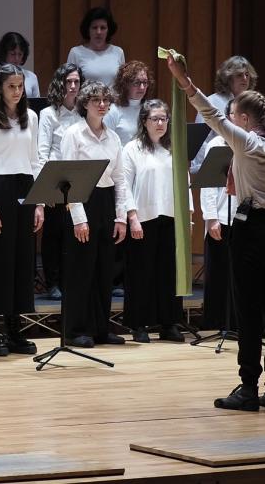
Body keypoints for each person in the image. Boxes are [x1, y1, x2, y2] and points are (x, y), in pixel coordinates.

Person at [166, 48, 265, 412]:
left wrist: (182, 79)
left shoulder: (246, 142)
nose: (230, 119)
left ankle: (248, 388)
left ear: (245, 119)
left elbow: (209, 113)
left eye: (234, 116)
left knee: (248, 312)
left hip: (250, 231)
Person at [0, 64, 43, 356]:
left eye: (20, 86)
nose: (17, 92)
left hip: (24, 188)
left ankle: (14, 328)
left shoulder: (32, 117)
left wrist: (39, 202)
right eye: (11, 86)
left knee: (21, 260)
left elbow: (35, 160)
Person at [60, 80, 128, 347]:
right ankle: (76, 329)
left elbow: (120, 179)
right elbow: (68, 178)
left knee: (104, 269)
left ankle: (101, 328)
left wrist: (120, 217)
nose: (102, 105)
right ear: (85, 103)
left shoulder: (113, 138)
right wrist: (79, 218)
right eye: (96, 100)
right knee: (81, 269)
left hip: (106, 202)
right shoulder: (73, 134)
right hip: (83, 200)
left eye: (106, 100)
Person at [121, 99, 189, 343]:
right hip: (143, 219)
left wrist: (187, 216)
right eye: (155, 119)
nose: (160, 123)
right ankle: (138, 324)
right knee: (141, 273)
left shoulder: (174, 148)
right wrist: (132, 217)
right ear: (144, 121)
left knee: (169, 273)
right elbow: (124, 186)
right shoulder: (132, 149)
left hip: (171, 217)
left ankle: (169, 323)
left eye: (163, 119)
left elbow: (184, 183)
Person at [36, 63, 83, 301]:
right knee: (54, 233)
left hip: (78, 178)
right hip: (55, 178)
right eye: (68, 82)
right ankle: (53, 282)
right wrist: (44, 189)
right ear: (60, 84)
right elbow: (42, 152)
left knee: (74, 231)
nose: (73, 86)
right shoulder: (48, 114)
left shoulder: (83, 112)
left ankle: (70, 280)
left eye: (76, 82)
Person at [197, 114, 235, 331]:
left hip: (243, 216)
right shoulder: (216, 144)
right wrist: (211, 218)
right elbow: (208, 186)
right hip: (221, 216)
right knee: (218, 273)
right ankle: (216, 321)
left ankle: (237, 321)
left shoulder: (250, 142)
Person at [66, 6, 124, 87]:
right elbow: (70, 85)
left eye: (103, 28)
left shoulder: (118, 52)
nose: (98, 32)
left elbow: (122, 85)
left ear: (109, 30)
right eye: (94, 28)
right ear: (88, 30)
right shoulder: (76, 53)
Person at [105, 60, 154, 145]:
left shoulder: (151, 108)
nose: (142, 87)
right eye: (137, 83)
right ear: (125, 84)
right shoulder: (113, 111)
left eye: (145, 82)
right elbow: (105, 143)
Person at [0, 32, 39, 99]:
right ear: (4, 54)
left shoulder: (31, 77)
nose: (17, 58)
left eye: (20, 54)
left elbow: (37, 103)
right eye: (13, 54)